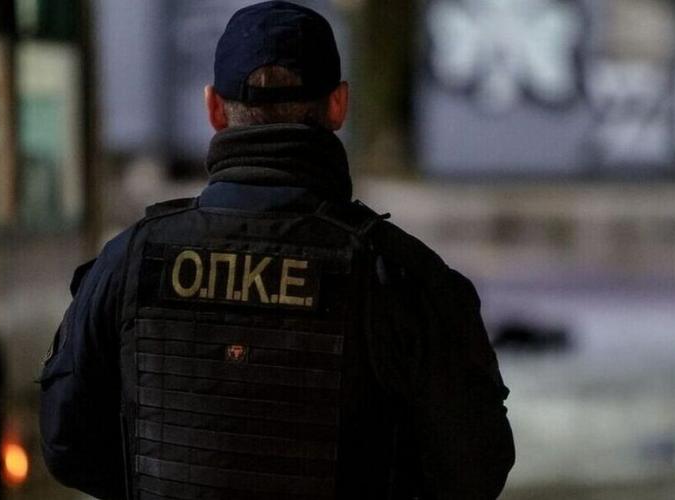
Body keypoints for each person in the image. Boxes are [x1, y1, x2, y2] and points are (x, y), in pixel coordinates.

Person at [39, 2, 515, 499]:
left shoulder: (130, 260)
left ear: (214, 109)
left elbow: (68, 445)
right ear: (338, 106)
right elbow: (474, 469)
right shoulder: (398, 275)